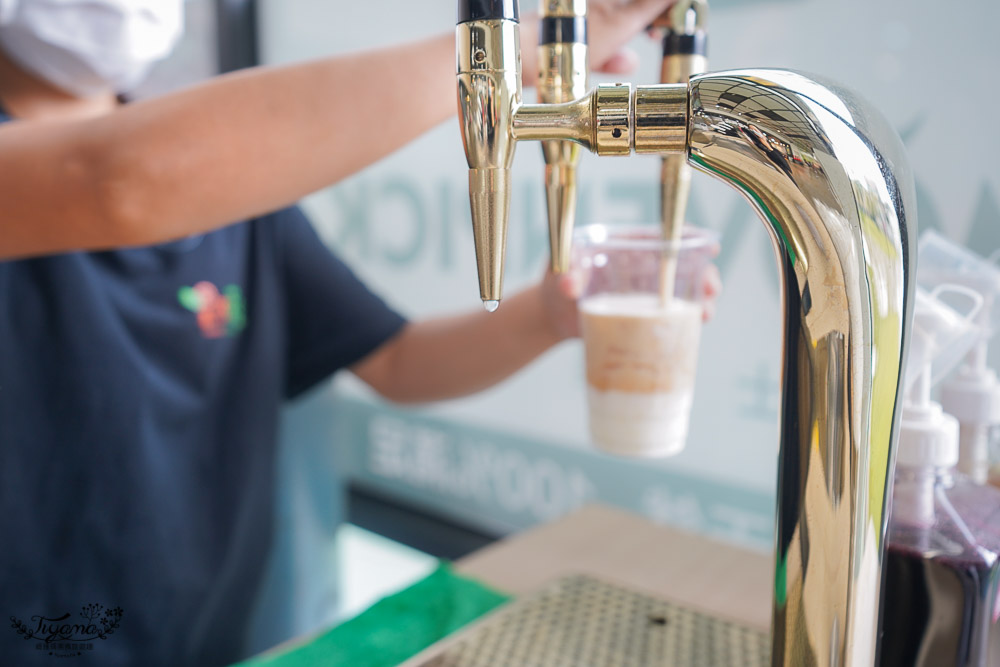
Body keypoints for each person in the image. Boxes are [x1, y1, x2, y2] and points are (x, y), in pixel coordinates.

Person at [0, 1, 718, 665]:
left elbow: (398, 360)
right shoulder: (150, 168)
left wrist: (548, 314)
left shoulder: (233, 192)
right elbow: (118, 181)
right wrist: (526, 44)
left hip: (209, 640)